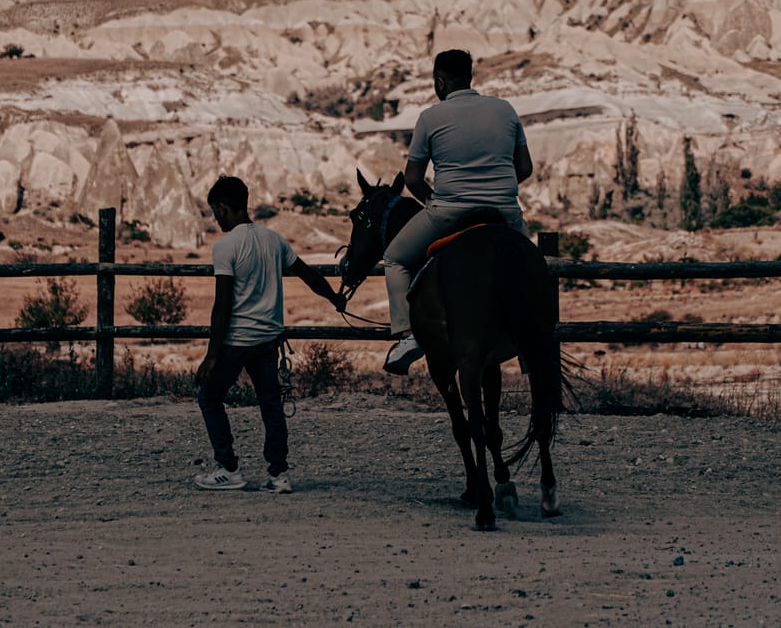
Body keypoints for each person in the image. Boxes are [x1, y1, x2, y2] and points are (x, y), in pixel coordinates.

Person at [381, 48, 532, 374]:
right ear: (470, 77)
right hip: (505, 212)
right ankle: (532, 337)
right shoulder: (505, 110)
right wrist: (497, 189)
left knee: (394, 259)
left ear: (440, 82)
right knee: (534, 271)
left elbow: (412, 179)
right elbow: (525, 167)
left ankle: (407, 337)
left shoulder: (430, 117)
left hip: (450, 210)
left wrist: (434, 199)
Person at [194, 174, 345, 492]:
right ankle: (279, 475)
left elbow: (222, 306)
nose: (216, 218)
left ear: (223, 207)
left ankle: (228, 468)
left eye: (215, 211)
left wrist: (211, 355)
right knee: (270, 404)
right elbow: (308, 274)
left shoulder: (225, 247)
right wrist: (335, 298)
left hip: (237, 340)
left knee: (209, 396)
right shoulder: (274, 240)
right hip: (268, 340)